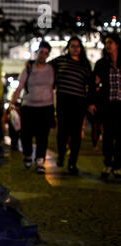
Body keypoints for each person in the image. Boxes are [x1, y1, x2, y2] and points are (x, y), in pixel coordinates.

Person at [49, 36, 92, 175]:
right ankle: (61, 155)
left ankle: (72, 162)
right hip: (63, 100)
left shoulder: (85, 65)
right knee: (62, 131)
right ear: (68, 47)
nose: (75, 49)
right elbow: (45, 66)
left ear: (81, 48)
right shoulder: (60, 60)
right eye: (72, 46)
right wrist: (31, 63)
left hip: (79, 102)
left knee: (76, 135)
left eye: (78, 46)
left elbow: (89, 84)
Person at [11, 41, 55, 174]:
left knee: (43, 135)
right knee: (26, 134)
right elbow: (20, 86)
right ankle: (28, 155)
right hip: (29, 106)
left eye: (46, 53)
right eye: (41, 52)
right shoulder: (29, 68)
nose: (43, 55)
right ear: (37, 53)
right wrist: (13, 103)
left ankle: (40, 160)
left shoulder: (52, 69)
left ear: (48, 55)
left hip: (46, 107)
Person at [89, 33, 121, 179]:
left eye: (111, 42)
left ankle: (118, 165)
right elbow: (93, 84)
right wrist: (92, 102)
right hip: (108, 104)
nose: (108, 45)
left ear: (117, 44)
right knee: (108, 136)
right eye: (106, 43)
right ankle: (108, 164)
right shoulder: (102, 64)